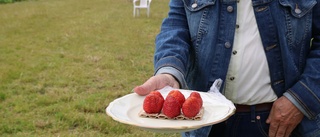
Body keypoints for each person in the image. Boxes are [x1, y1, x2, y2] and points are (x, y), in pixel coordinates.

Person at [133, 0, 320, 136]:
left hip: (278, 122)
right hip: (205, 121)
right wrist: (169, 72)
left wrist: (301, 99)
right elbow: (176, 25)